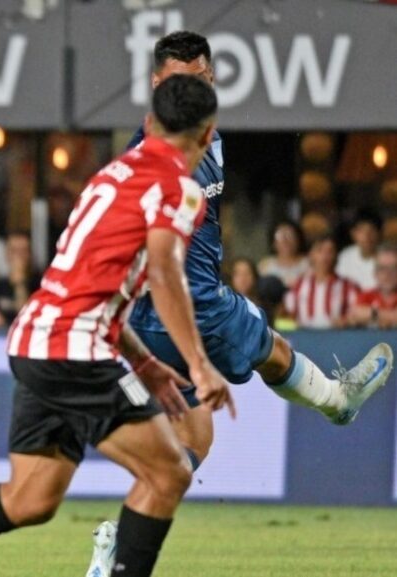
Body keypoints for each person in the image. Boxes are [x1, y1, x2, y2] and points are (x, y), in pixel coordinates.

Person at [0, 74, 234, 577]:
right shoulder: (180, 189)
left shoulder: (113, 175)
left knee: (29, 498)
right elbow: (164, 273)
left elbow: (92, 283)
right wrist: (199, 366)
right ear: (207, 135)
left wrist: (143, 361)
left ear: (149, 123)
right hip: (73, 349)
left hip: (36, 340)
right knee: (168, 473)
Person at [86, 31, 392, 577]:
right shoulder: (159, 152)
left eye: (199, 79)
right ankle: (335, 401)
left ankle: (117, 544)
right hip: (191, 302)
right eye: (179, 81)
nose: (191, 89)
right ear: (157, 84)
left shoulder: (201, 136)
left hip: (151, 314)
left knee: (195, 437)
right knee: (271, 347)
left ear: (212, 79)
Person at [285, 235, 359, 329]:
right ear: (311, 254)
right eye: (320, 251)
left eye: (330, 251)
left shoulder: (349, 287)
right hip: (304, 339)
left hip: (338, 339)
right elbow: (286, 318)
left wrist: (346, 321)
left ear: (336, 256)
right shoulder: (297, 286)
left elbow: (357, 318)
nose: (325, 256)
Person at [348, 242, 397, 329]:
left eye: (394, 268)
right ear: (375, 273)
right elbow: (355, 315)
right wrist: (391, 315)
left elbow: (362, 314)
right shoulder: (366, 296)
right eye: (382, 268)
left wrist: (372, 314)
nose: (388, 274)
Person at [337, 210, 381, 291]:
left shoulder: (389, 258)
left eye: (372, 230)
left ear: (379, 233)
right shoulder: (345, 256)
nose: (367, 236)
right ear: (353, 234)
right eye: (361, 230)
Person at [257, 220, 308, 288]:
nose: (285, 241)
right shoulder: (265, 266)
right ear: (273, 242)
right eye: (280, 237)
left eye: (290, 236)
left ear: (298, 239)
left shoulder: (308, 264)